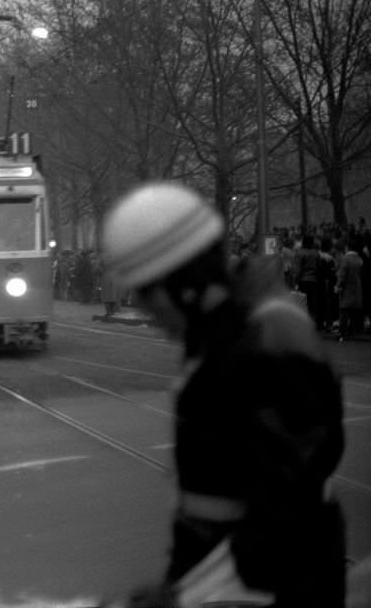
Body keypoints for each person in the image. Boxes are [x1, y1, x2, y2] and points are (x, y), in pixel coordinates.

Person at [101, 182, 346, 607]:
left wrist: (179, 597)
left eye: (147, 293)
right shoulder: (230, 336)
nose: (144, 309)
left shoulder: (253, 355)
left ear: (184, 284)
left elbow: (274, 533)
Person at [335, 235, 365, 341]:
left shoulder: (345, 259)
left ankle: (343, 332)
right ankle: (354, 331)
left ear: (347, 247)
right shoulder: (359, 259)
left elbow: (342, 274)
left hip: (346, 287)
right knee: (354, 311)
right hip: (357, 288)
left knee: (343, 311)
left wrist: (338, 286)